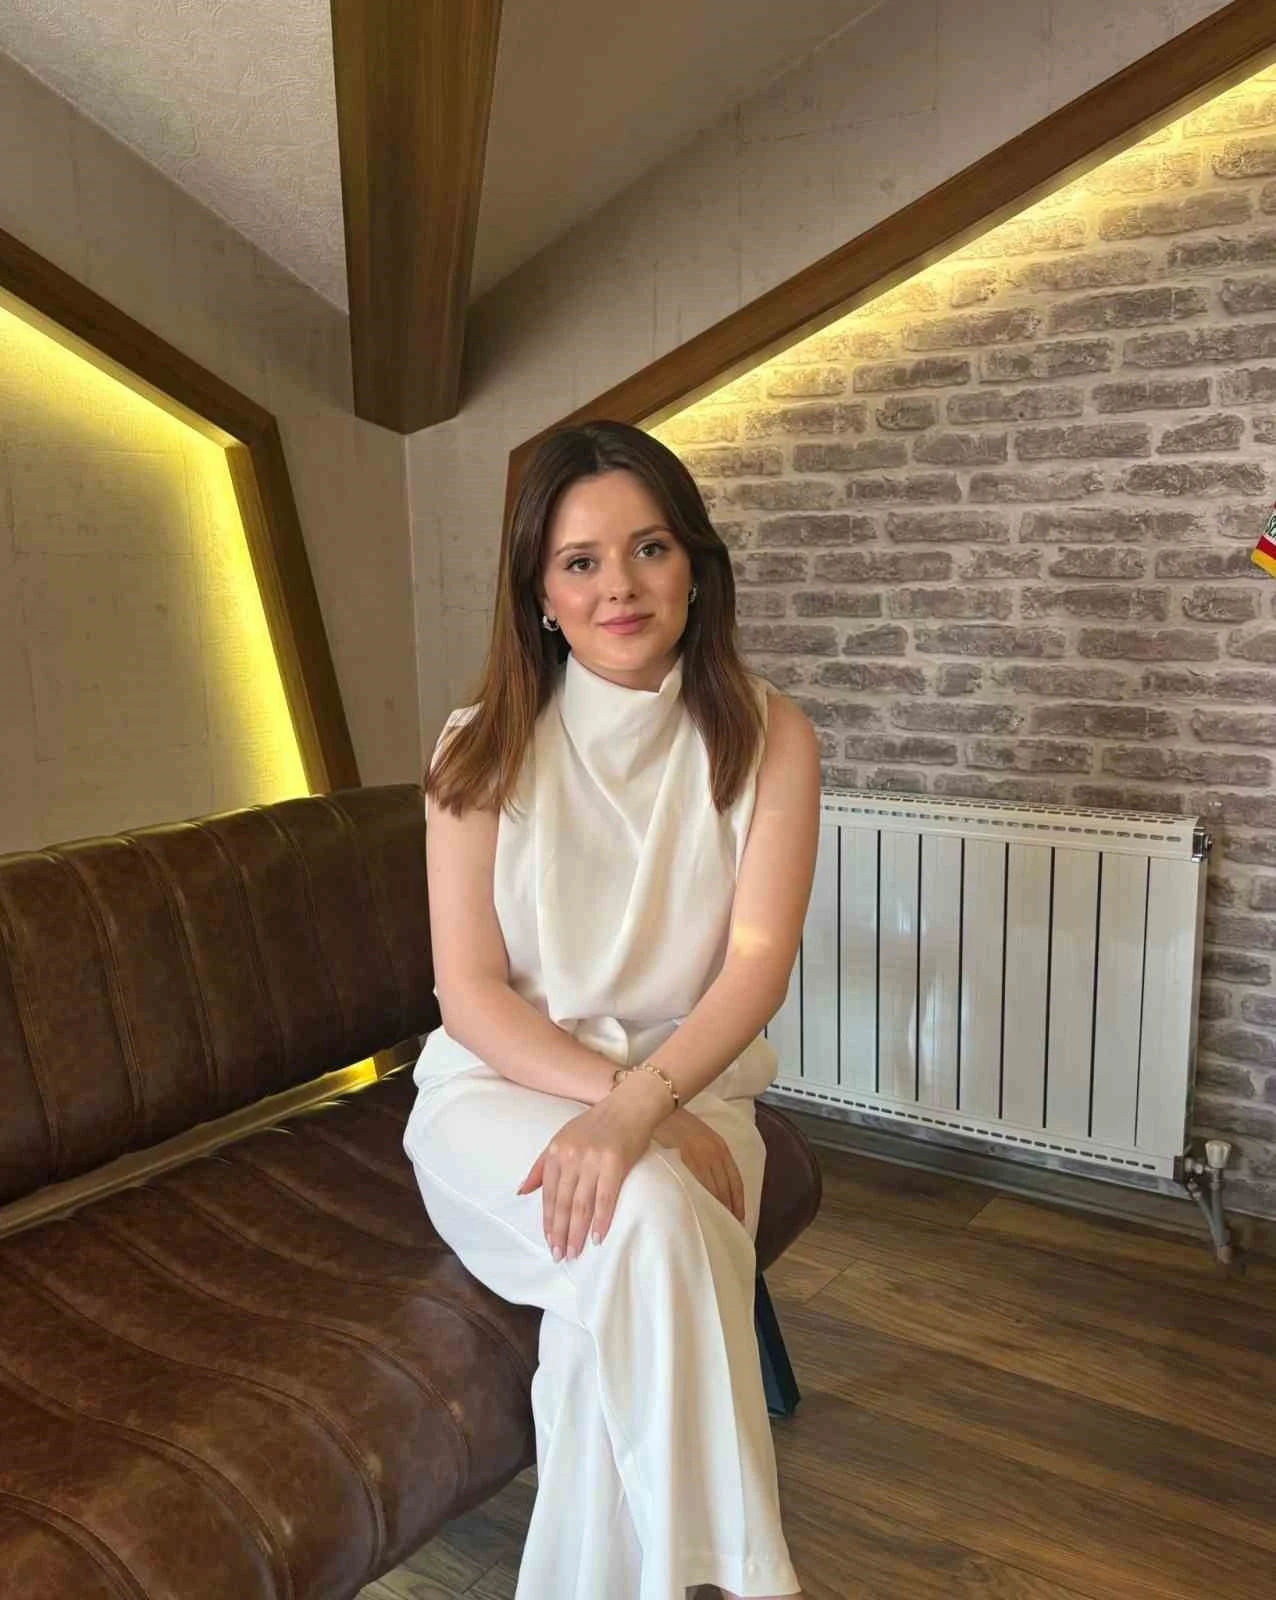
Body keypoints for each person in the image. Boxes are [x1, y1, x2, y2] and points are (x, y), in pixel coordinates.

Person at [404, 419, 820, 1600]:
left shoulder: (771, 734)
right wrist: (627, 1108)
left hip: (693, 1090)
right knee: (643, 1214)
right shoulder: (476, 748)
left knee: (622, 1277)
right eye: (580, 561)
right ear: (540, 593)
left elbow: (756, 966)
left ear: (694, 564)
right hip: (501, 1096)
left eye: (649, 548)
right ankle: (745, 1579)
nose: (619, 586)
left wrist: (649, 1104)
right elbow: (470, 994)